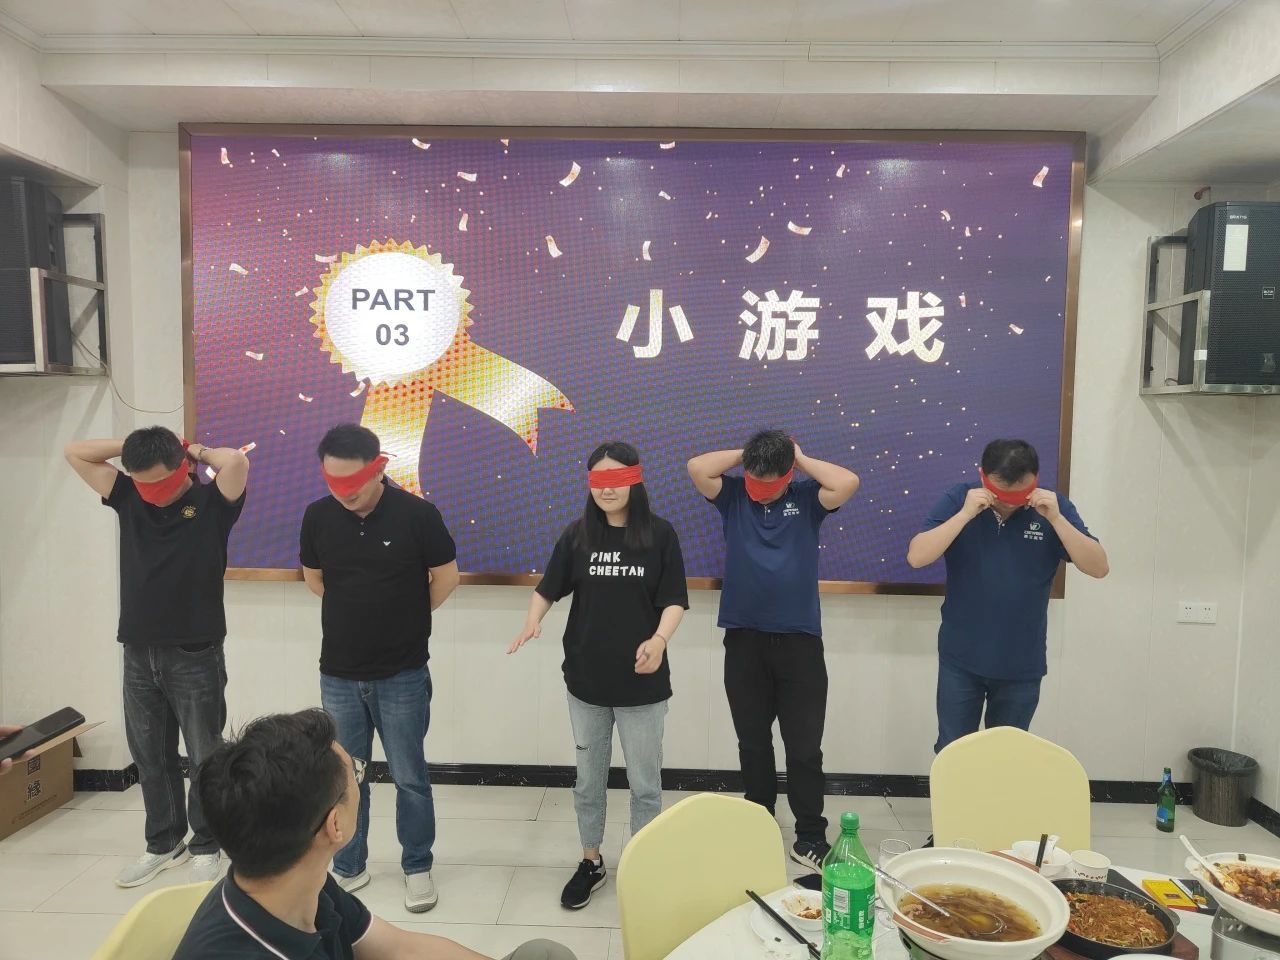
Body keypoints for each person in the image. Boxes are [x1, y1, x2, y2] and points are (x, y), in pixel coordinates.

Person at [174, 709, 577, 960]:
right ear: (334, 825)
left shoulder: (300, 881)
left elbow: (399, 948)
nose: (360, 783)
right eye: (357, 774)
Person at [65, 427, 249, 887]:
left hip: (195, 650)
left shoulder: (212, 503)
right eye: (142, 483)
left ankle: (207, 844)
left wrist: (191, 447)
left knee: (204, 754)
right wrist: (130, 447)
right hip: (137, 648)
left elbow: (236, 462)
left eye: (160, 483)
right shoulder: (129, 496)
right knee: (150, 754)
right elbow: (75, 453)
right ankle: (164, 843)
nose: (152, 494)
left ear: (183, 468)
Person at [509, 442, 688, 909]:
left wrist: (659, 640)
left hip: (642, 685)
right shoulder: (578, 535)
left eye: (617, 479)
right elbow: (548, 588)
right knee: (589, 781)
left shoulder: (660, 535)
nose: (607, 489)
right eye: (598, 480)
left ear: (635, 480)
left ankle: (644, 863)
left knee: (645, 784)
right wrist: (533, 618)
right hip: (586, 683)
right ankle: (591, 861)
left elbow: (674, 599)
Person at [300, 424, 460, 912]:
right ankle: (350, 866)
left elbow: (446, 578)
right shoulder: (317, 516)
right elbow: (315, 579)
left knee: (410, 776)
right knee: (346, 777)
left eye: (353, 482)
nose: (344, 493)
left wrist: (404, 618)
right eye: (334, 482)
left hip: (402, 673)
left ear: (379, 468)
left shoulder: (418, 515)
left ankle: (417, 866)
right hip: (339, 673)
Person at [687, 431, 860, 872]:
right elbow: (697, 467)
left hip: (800, 642)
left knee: (804, 747)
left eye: (770, 482)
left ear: (789, 474)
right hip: (744, 640)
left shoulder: (807, 499)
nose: (760, 490)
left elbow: (847, 482)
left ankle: (810, 836)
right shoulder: (733, 497)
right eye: (754, 480)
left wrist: (798, 457)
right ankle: (759, 825)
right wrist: (748, 455)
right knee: (753, 742)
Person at [906, 438, 1109, 754]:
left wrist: (1056, 519)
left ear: (1035, 480)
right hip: (961, 659)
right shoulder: (959, 498)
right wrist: (964, 515)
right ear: (983, 476)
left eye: (1020, 494)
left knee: (1006, 757)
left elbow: (1098, 567)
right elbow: (917, 557)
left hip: (1021, 664)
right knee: (953, 753)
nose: (1010, 503)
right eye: (1001, 493)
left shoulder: (1054, 507)